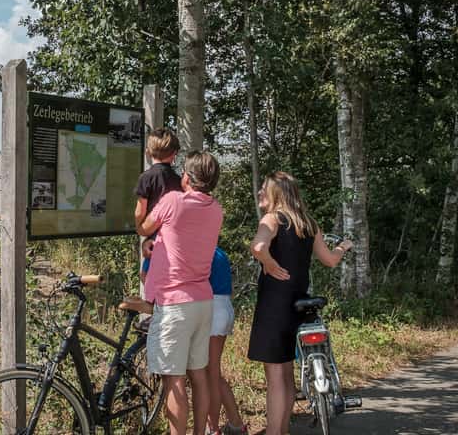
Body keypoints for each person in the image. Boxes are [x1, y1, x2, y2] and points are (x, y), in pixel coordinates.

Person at [247, 172, 353, 435]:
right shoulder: (308, 223)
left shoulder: (272, 219)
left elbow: (258, 246)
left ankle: (274, 432)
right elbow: (329, 260)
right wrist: (343, 248)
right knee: (286, 374)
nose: (260, 193)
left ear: (276, 193)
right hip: (297, 303)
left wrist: (270, 264)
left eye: (264, 189)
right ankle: (282, 430)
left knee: (275, 378)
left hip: (274, 303)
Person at [139, 151, 223, 435]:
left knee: (174, 381)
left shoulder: (173, 201)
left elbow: (143, 226)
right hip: (203, 300)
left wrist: (146, 241)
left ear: (186, 177)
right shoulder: (216, 209)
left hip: (174, 304)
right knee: (198, 375)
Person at [135, 127, 182, 293]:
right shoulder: (179, 180)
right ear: (174, 153)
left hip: (154, 237)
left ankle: (156, 309)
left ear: (148, 152)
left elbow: (140, 211)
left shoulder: (146, 177)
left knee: (146, 274)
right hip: (173, 236)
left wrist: (140, 228)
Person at [206, 245, 247, 435]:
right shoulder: (219, 251)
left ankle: (213, 428)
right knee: (213, 372)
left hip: (210, 310)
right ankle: (236, 423)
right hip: (224, 307)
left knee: (210, 374)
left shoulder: (198, 249)